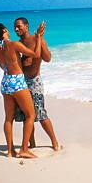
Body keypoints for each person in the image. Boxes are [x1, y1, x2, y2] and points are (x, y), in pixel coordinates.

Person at [0, 22, 44, 158]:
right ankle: (23, 149)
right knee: (30, 115)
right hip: (17, 82)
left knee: (8, 119)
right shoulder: (13, 44)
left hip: (5, 84)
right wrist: (38, 37)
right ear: (4, 30)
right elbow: (36, 54)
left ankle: (10, 151)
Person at [13, 17, 61, 151]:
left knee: (41, 114)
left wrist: (40, 40)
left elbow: (47, 58)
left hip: (34, 82)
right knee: (27, 115)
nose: (16, 29)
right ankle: (32, 144)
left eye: (19, 26)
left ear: (26, 26)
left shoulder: (35, 39)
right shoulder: (19, 43)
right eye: (15, 27)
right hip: (23, 82)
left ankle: (54, 142)